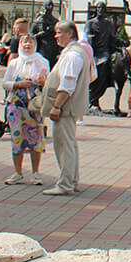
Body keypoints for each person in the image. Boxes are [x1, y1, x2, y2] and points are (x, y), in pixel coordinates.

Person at [38, 20, 94, 195]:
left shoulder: (72, 55)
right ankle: (71, 181)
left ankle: (65, 184)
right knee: (68, 144)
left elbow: (67, 84)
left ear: (70, 33)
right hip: (69, 107)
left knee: (64, 145)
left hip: (65, 108)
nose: (56, 36)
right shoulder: (76, 52)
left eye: (59, 32)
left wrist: (56, 106)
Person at [0, 32, 49, 183]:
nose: (27, 45)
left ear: (35, 45)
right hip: (16, 105)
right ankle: (18, 172)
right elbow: (5, 83)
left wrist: (42, 82)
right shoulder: (15, 63)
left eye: (30, 42)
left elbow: (49, 84)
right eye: (24, 42)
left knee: (36, 138)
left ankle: (35, 173)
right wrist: (18, 84)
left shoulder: (42, 62)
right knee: (17, 138)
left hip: (34, 106)